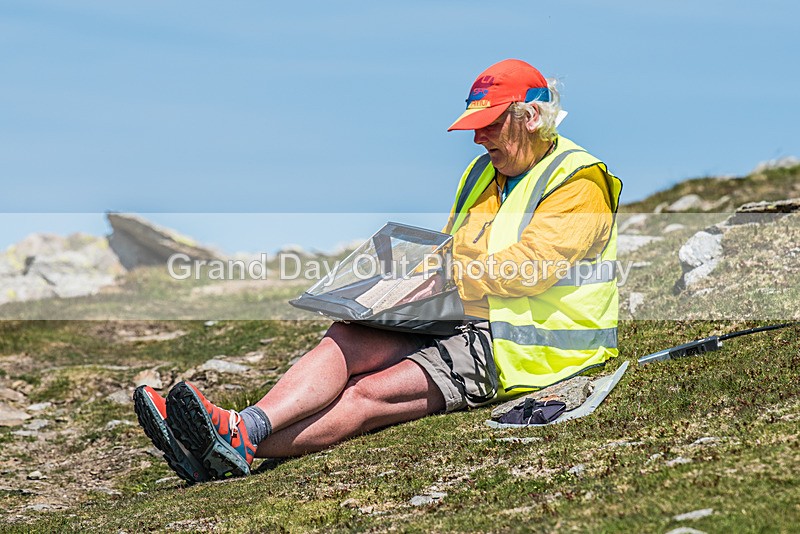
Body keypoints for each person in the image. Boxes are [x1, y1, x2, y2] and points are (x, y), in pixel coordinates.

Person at [133, 58, 622, 483]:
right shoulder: (483, 172)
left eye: (490, 124)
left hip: (529, 347)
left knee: (368, 393)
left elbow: (529, 270)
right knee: (346, 337)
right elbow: (453, 250)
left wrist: (440, 279)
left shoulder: (579, 181)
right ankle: (235, 432)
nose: (478, 137)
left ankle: (228, 441)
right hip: (467, 313)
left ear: (531, 117)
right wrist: (400, 286)